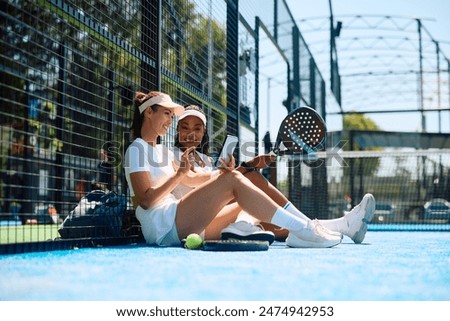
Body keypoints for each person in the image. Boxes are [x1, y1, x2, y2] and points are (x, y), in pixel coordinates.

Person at [124, 90, 343, 248]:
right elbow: (145, 199)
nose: (170, 120)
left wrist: (225, 172)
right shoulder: (136, 149)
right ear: (149, 113)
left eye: (172, 116)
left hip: (183, 223)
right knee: (235, 182)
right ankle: (304, 229)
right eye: (166, 114)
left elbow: (193, 180)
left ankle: (299, 229)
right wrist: (180, 175)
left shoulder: (162, 151)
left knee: (243, 195)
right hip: (162, 226)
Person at [172, 104, 376, 244]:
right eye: (185, 127)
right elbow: (200, 187)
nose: (191, 133)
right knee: (250, 180)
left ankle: (344, 225)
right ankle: (334, 226)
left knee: (279, 224)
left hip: (218, 215)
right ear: (177, 130)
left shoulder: (206, 160)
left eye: (197, 128)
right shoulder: (170, 155)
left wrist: (251, 164)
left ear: (204, 132)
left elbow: (222, 185)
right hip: (198, 222)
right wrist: (242, 170)